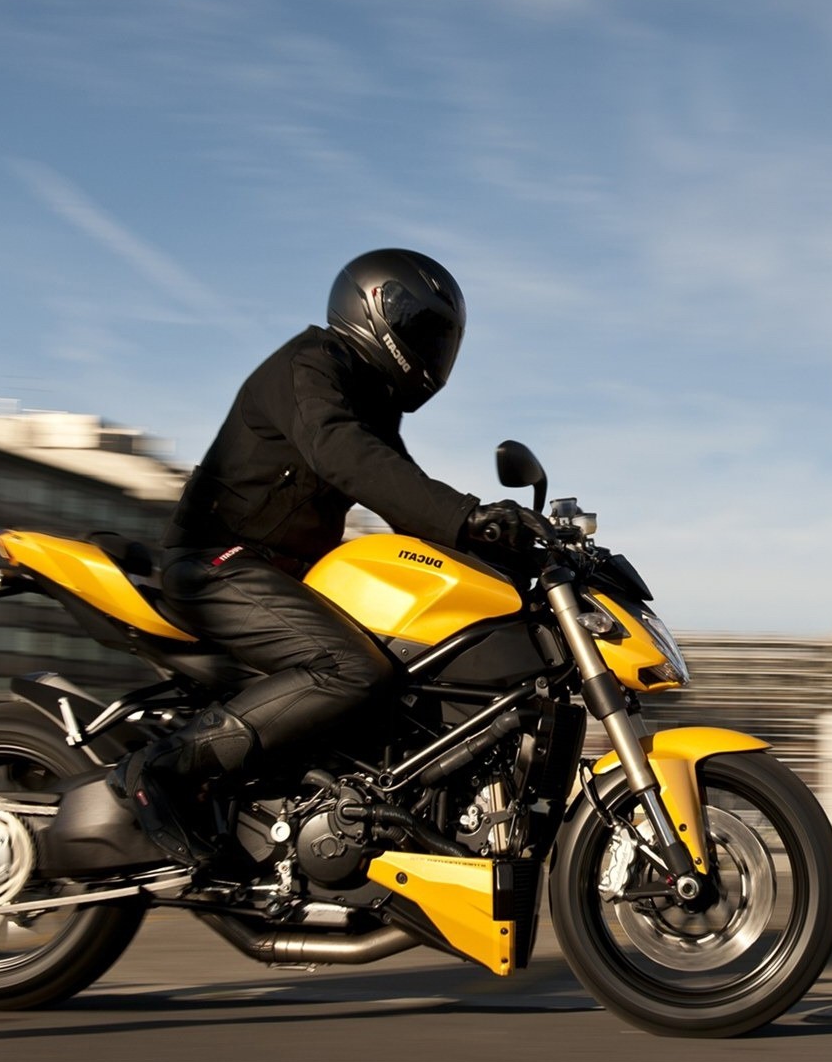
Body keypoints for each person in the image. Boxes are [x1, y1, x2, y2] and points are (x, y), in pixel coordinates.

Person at [109, 248, 525, 867]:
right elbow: (347, 456)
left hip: (282, 578)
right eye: (423, 333)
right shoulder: (313, 365)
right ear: (375, 311)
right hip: (217, 563)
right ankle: (164, 771)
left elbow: (400, 491)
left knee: (401, 662)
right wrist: (465, 516)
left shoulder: (368, 397)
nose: (432, 353)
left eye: (440, 340)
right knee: (352, 669)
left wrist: (500, 549)